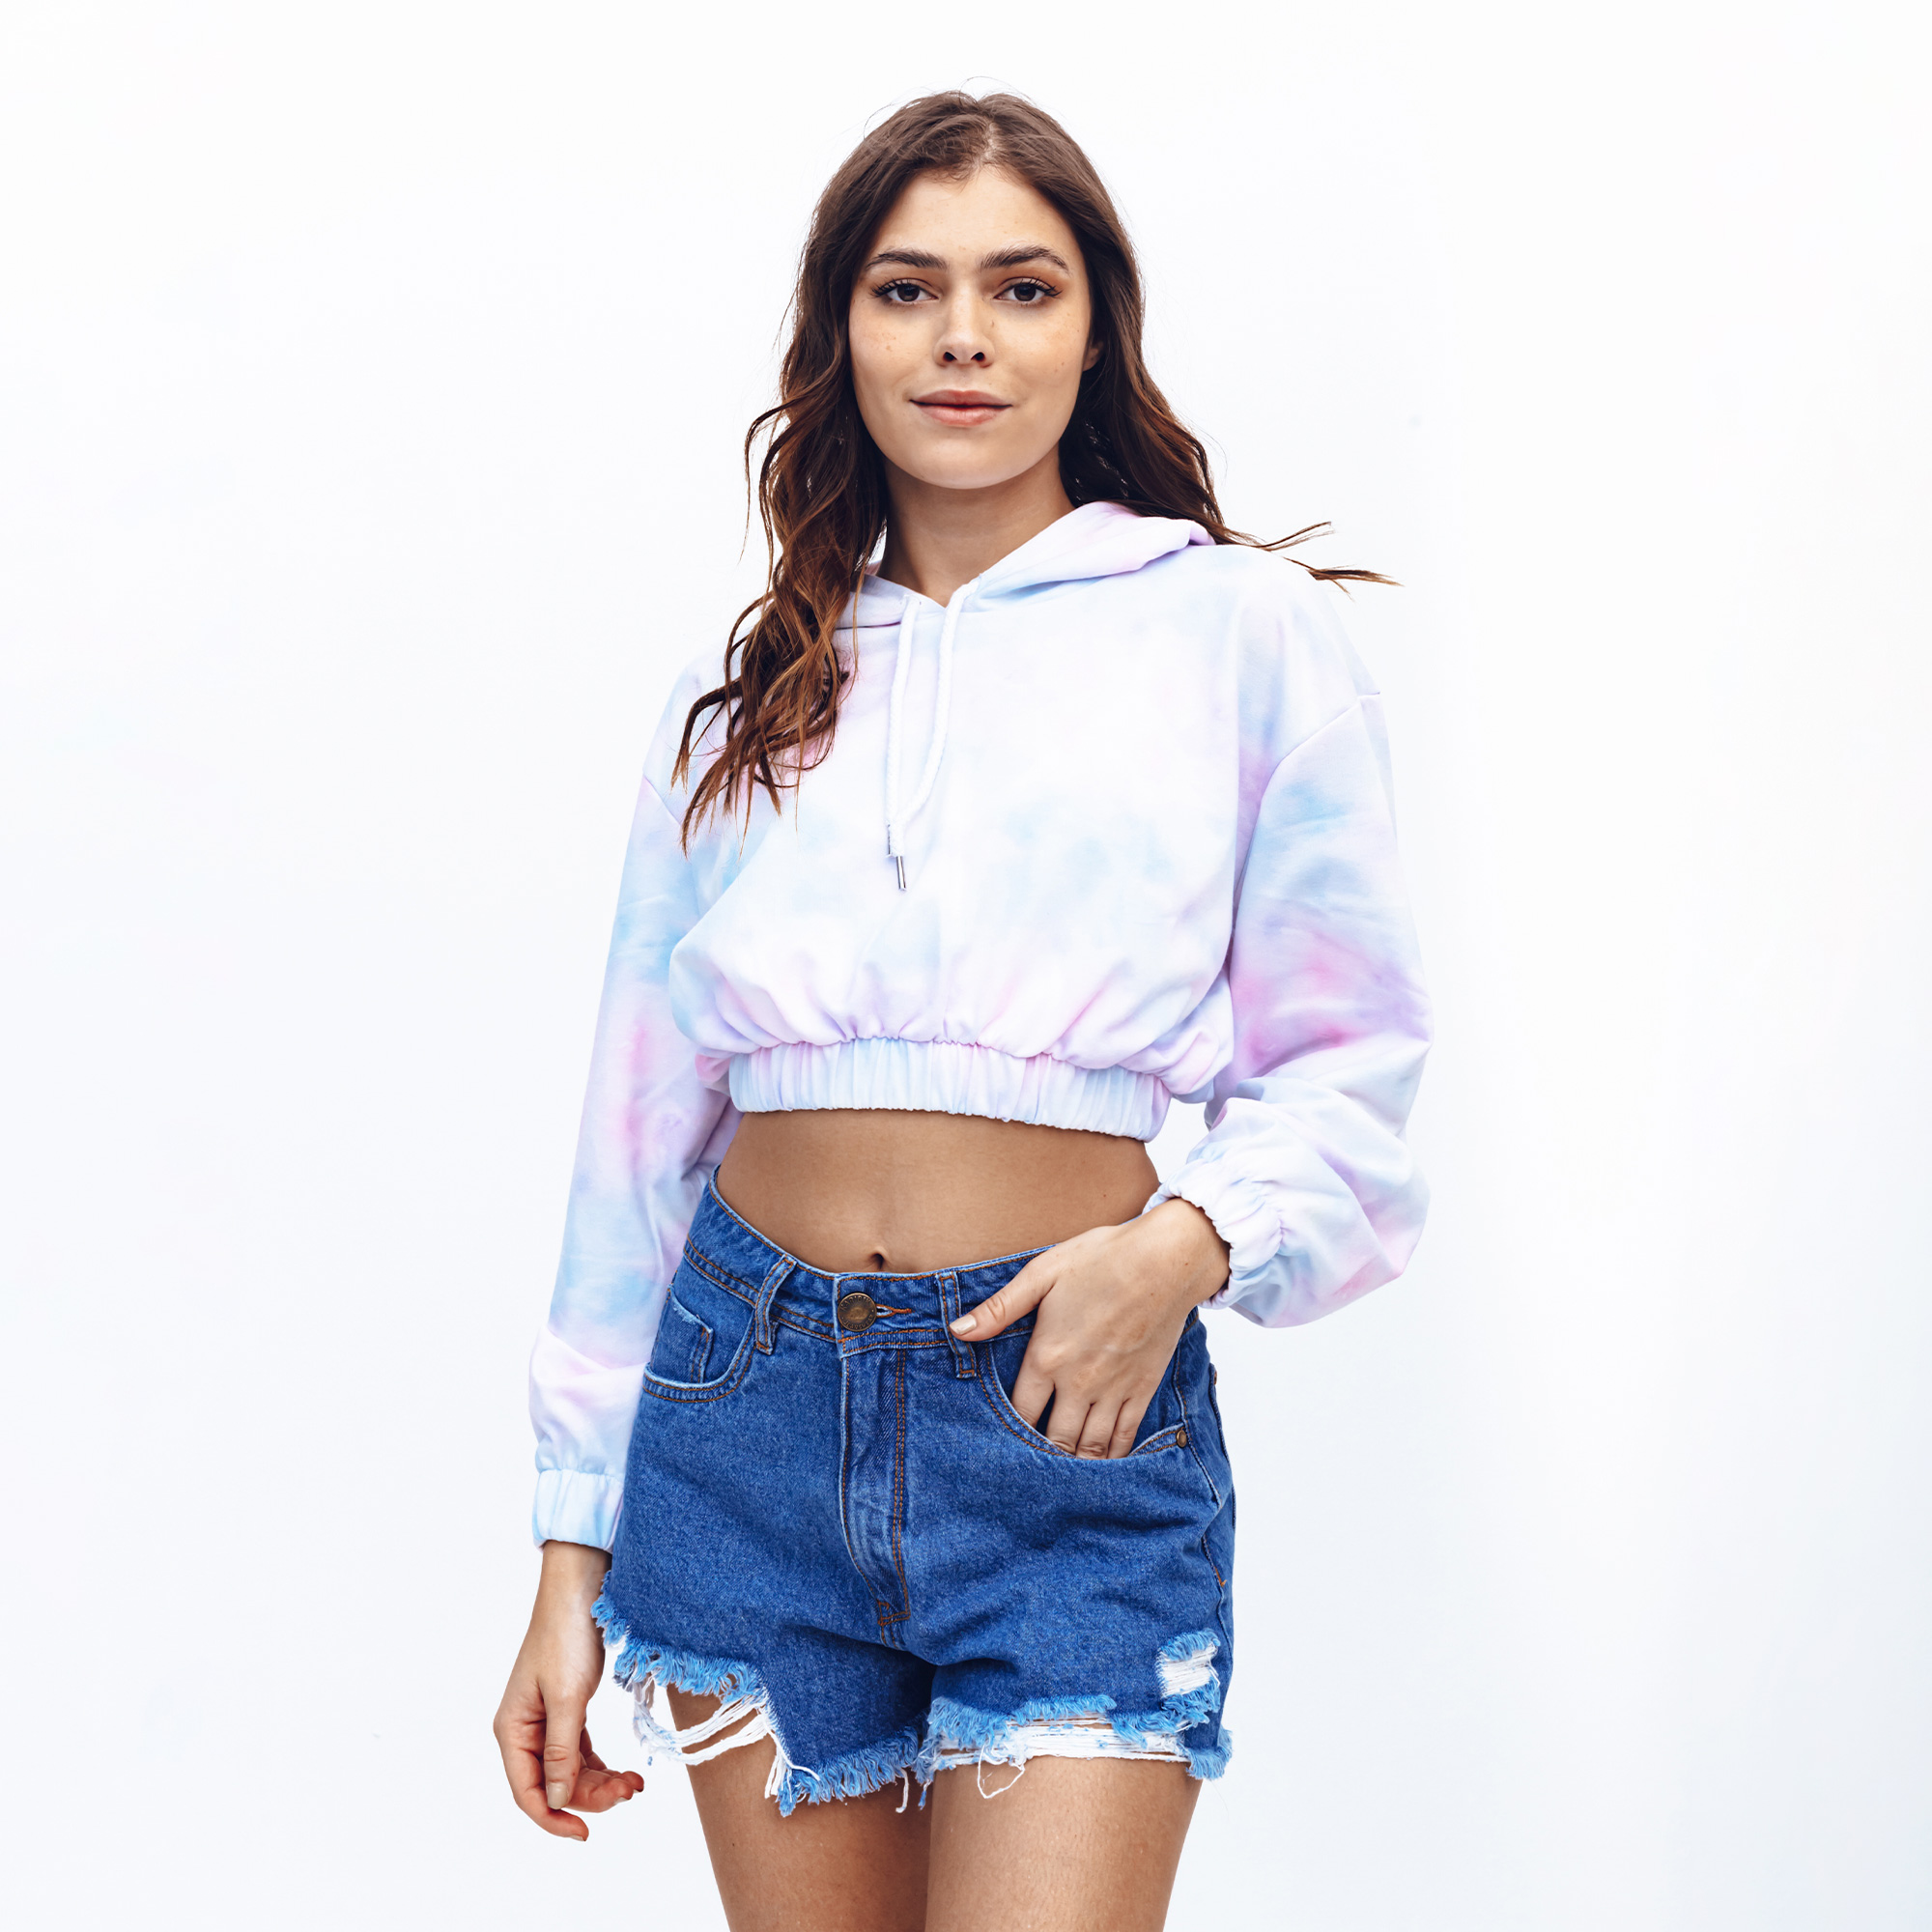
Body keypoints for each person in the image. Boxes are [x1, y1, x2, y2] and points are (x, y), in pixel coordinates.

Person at [492, 89, 1431, 1932]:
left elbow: (1354, 1071)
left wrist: (1182, 1246)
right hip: (742, 1419)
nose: (965, 339)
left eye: (1022, 287)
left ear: (1096, 329)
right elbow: (634, 1142)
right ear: (841, 332)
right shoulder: (749, 687)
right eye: (908, 290)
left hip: (1066, 1419)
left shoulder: (1240, 636)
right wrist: (564, 1548)